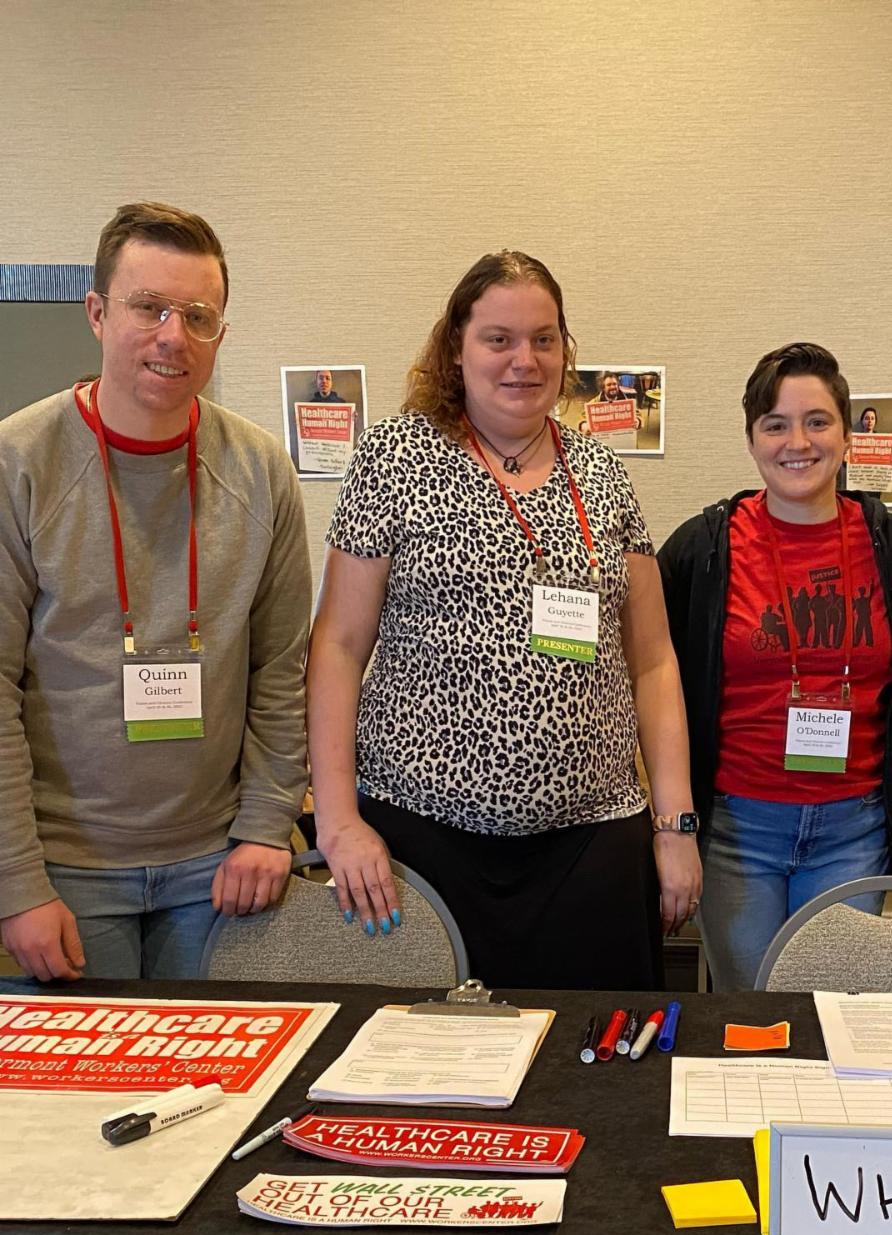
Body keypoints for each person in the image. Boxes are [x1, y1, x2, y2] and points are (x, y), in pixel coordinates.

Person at [306, 250, 700, 990]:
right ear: (456, 347)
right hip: (421, 839)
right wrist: (336, 819)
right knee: (429, 1078)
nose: (524, 359)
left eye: (544, 339)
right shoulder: (395, 456)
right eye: (499, 338)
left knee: (598, 1074)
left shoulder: (602, 471)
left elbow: (652, 660)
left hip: (593, 843)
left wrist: (675, 824)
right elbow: (337, 644)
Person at [0, 201, 310, 983]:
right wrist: (15, 884)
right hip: (64, 875)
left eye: (198, 316)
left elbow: (282, 668)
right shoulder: (19, 462)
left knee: (218, 1099)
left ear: (219, 336)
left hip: (220, 873)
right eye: (149, 307)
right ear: (98, 313)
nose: (174, 335)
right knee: (69, 1105)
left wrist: (268, 825)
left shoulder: (261, 470)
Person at [659, 343, 892, 990]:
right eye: (775, 424)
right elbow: (649, 677)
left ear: (845, 433)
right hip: (737, 831)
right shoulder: (704, 549)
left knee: (830, 1015)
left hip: (854, 828)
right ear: (752, 440)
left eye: (817, 420)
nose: (796, 441)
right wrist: (670, 824)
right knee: (745, 1014)